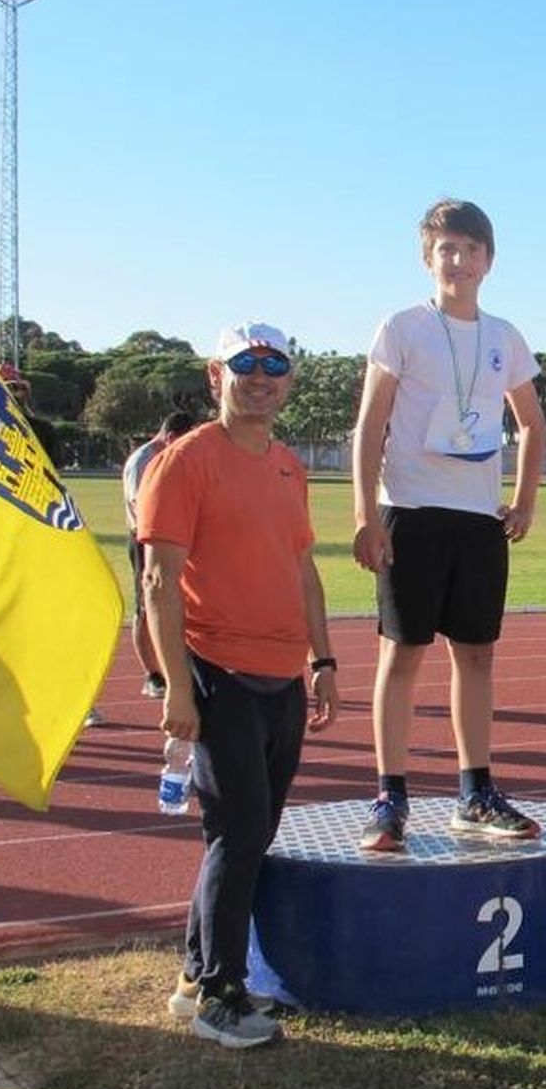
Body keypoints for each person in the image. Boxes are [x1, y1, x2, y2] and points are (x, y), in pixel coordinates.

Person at [138, 320, 341, 1047]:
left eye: (275, 365)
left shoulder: (289, 464)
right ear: (215, 376)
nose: (261, 377)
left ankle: (197, 976)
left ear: (288, 379)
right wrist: (174, 686)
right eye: (245, 364)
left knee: (248, 832)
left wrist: (322, 659)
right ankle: (221, 993)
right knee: (239, 829)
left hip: (282, 674)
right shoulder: (186, 462)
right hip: (216, 671)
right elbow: (159, 579)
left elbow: (303, 569)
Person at [351, 200, 546, 853]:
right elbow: (370, 424)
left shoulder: (505, 337)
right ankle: (390, 795)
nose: (458, 260)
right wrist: (363, 512)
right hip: (409, 509)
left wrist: (523, 500)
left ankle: (475, 791)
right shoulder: (402, 328)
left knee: (477, 655)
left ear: (489, 260)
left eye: (470, 249)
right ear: (426, 258)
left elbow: (533, 424)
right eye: (446, 249)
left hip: (476, 520)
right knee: (402, 653)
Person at [123, 412, 198, 697]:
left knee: (182, 603)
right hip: (146, 539)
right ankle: (152, 674)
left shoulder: (178, 459)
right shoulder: (143, 460)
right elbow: (140, 502)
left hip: (179, 539)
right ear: (169, 437)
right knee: (147, 606)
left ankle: (180, 667)